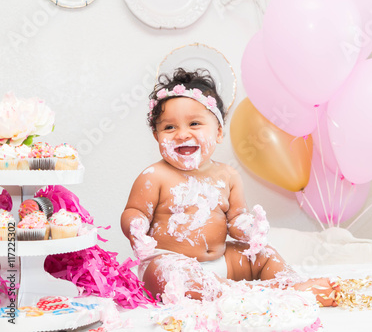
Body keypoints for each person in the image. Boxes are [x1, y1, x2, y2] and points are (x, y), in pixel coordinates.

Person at [120, 68, 338, 306]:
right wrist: (136, 226)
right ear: (156, 135)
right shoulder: (154, 176)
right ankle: (257, 294)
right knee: (170, 275)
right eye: (169, 127)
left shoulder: (227, 175)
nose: (182, 134)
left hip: (223, 261)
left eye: (194, 123)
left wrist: (247, 227)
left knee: (262, 254)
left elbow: (235, 219)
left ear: (219, 132)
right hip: (171, 262)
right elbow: (135, 211)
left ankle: (290, 284)